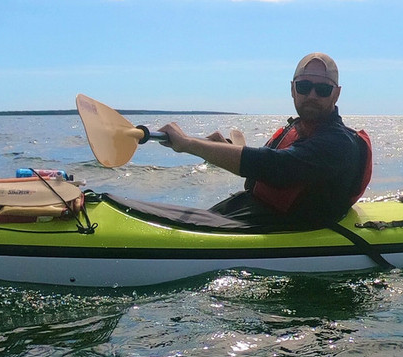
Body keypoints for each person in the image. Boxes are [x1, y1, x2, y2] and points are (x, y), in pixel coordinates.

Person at [157, 52, 372, 228]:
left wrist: (188, 143)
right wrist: (223, 149)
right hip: (255, 212)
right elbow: (259, 173)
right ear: (292, 89)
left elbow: (276, 167)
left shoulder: (338, 144)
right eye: (304, 87)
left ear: (336, 94)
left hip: (289, 228)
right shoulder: (299, 129)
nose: (312, 95)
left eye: (323, 89)